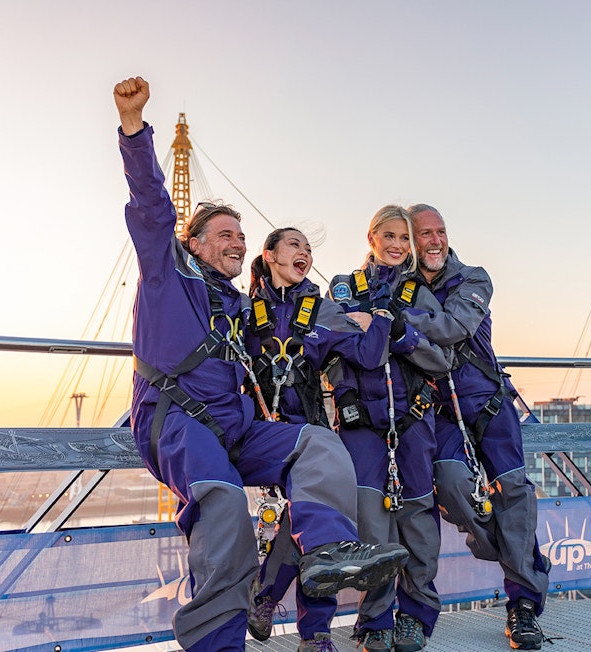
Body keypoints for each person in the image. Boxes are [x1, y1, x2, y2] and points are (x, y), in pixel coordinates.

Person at [113, 76, 408, 652]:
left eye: (242, 237)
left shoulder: (240, 307)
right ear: (193, 242)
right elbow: (151, 206)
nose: (236, 243)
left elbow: (310, 339)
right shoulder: (167, 274)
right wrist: (132, 128)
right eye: (225, 234)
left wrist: (364, 322)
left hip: (236, 427)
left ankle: (326, 553)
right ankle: (218, 645)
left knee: (318, 446)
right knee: (223, 507)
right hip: (177, 420)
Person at [403, 204, 550, 651]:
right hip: (440, 410)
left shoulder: (474, 278)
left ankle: (523, 605)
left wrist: (395, 321)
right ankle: (505, 546)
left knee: (514, 496)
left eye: (440, 232)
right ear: (408, 241)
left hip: (487, 402)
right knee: (448, 483)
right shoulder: (397, 283)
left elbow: (454, 327)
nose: (435, 241)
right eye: (424, 234)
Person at [243, 227, 398, 651]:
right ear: (270, 254)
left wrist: (379, 319)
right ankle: (275, 604)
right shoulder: (243, 309)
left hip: (309, 434)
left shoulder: (324, 310)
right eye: (294, 245)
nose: (305, 252)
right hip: (261, 433)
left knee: (312, 525)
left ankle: (309, 630)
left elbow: (368, 356)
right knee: (311, 526)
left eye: (309, 249)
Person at [327, 205, 452, 652]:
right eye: (390, 235)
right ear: (371, 237)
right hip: (361, 421)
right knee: (371, 523)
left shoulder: (420, 294)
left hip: (413, 419)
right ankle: (376, 616)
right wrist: (344, 400)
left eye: (405, 238)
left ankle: (415, 615)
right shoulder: (344, 288)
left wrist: (399, 333)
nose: (398, 245)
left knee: (417, 519)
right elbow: (332, 353)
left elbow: (443, 359)